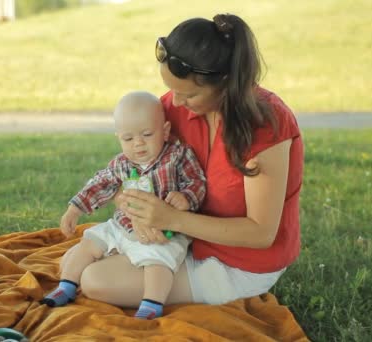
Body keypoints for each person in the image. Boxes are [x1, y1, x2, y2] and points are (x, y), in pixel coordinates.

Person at [62, 13, 304, 308]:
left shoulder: (266, 123)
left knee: (96, 281)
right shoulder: (172, 109)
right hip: (182, 239)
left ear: (224, 82)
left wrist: (172, 219)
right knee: (73, 265)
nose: (174, 102)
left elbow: (261, 233)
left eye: (187, 94)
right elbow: (134, 169)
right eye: (171, 89)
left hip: (240, 263)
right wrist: (131, 204)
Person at [41, 91, 206, 319]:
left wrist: (187, 197)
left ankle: (151, 304)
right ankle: (66, 285)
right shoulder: (121, 163)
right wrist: (75, 208)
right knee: (89, 241)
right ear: (119, 137)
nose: (138, 144)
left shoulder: (178, 156)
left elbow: (197, 181)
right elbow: (99, 185)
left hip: (163, 232)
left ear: (165, 131)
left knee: (159, 262)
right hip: (122, 226)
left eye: (147, 135)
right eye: (128, 139)